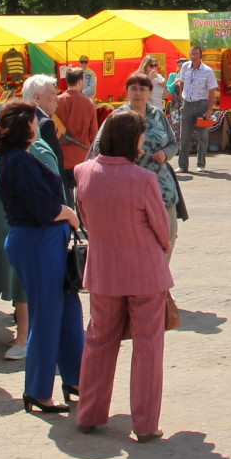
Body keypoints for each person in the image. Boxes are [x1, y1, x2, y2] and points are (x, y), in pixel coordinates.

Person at [73, 111, 175, 440]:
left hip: (103, 270)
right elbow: (162, 229)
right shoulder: (142, 179)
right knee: (147, 347)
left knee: (99, 341)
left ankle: (89, 412)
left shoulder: (83, 172)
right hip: (145, 270)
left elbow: (85, 219)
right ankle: (145, 424)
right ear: (132, 140)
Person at [0, 100, 83, 414]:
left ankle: (75, 378)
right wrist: (69, 214)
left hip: (43, 241)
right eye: (36, 119)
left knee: (67, 309)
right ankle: (37, 389)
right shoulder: (18, 160)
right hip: (37, 240)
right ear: (27, 126)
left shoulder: (18, 157)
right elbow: (42, 208)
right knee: (47, 315)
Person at [91, 71, 181, 240]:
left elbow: (174, 144)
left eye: (142, 89)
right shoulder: (117, 117)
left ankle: (162, 267)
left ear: (150, 92)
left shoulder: (158, 115)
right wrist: (126, 154)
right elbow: (98, 147)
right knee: (134, 238)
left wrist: (165, 153)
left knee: (168, 235)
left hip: (162, 187)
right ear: (127, 91)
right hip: (127, 187)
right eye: (134, 89)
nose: (138, 93)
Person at [176, 47, 221, 173]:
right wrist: (182, 99)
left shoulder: (207, 71)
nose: (194, 56)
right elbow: (181, 83)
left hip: (202, 105)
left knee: (203, 136)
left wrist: (209, 109)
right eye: (192, 54)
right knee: (184, 136)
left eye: (196, 54)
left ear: (201, 55)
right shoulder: (185, 67)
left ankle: (201, 164)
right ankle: (182, 165)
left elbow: (212, 90)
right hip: (188, 104)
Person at [56, 72, 100, 186]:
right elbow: (94, 134)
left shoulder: (57, 102)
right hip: (82, 156)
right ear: (80, 81)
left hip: (62, 156)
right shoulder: (88, 103)